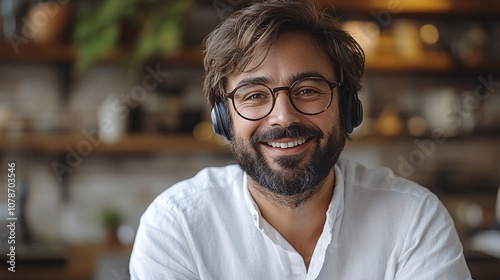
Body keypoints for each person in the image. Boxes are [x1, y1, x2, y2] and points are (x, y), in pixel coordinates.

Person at [130, 0, 472, 279]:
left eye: (307, 90)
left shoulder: (414, 219)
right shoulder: (177, 226)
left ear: (349, 108)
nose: (284, 117)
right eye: (254, 95)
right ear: (223, 119)